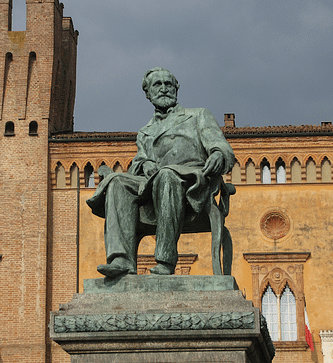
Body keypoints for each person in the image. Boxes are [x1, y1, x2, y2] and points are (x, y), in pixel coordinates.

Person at [87, 67, 235, 277]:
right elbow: (137, 164)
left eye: (168, 84)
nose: (164, 89)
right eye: (158, 85)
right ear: (148, 93)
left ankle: (166, 259)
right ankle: (121, 260)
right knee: (117, 181)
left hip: (192, 183)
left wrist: (218, 154)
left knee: (167, 175)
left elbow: (222, 147)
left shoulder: (198, 115)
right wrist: (144, 163)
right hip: (155, 188)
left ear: (176, 88)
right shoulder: (146, 132)